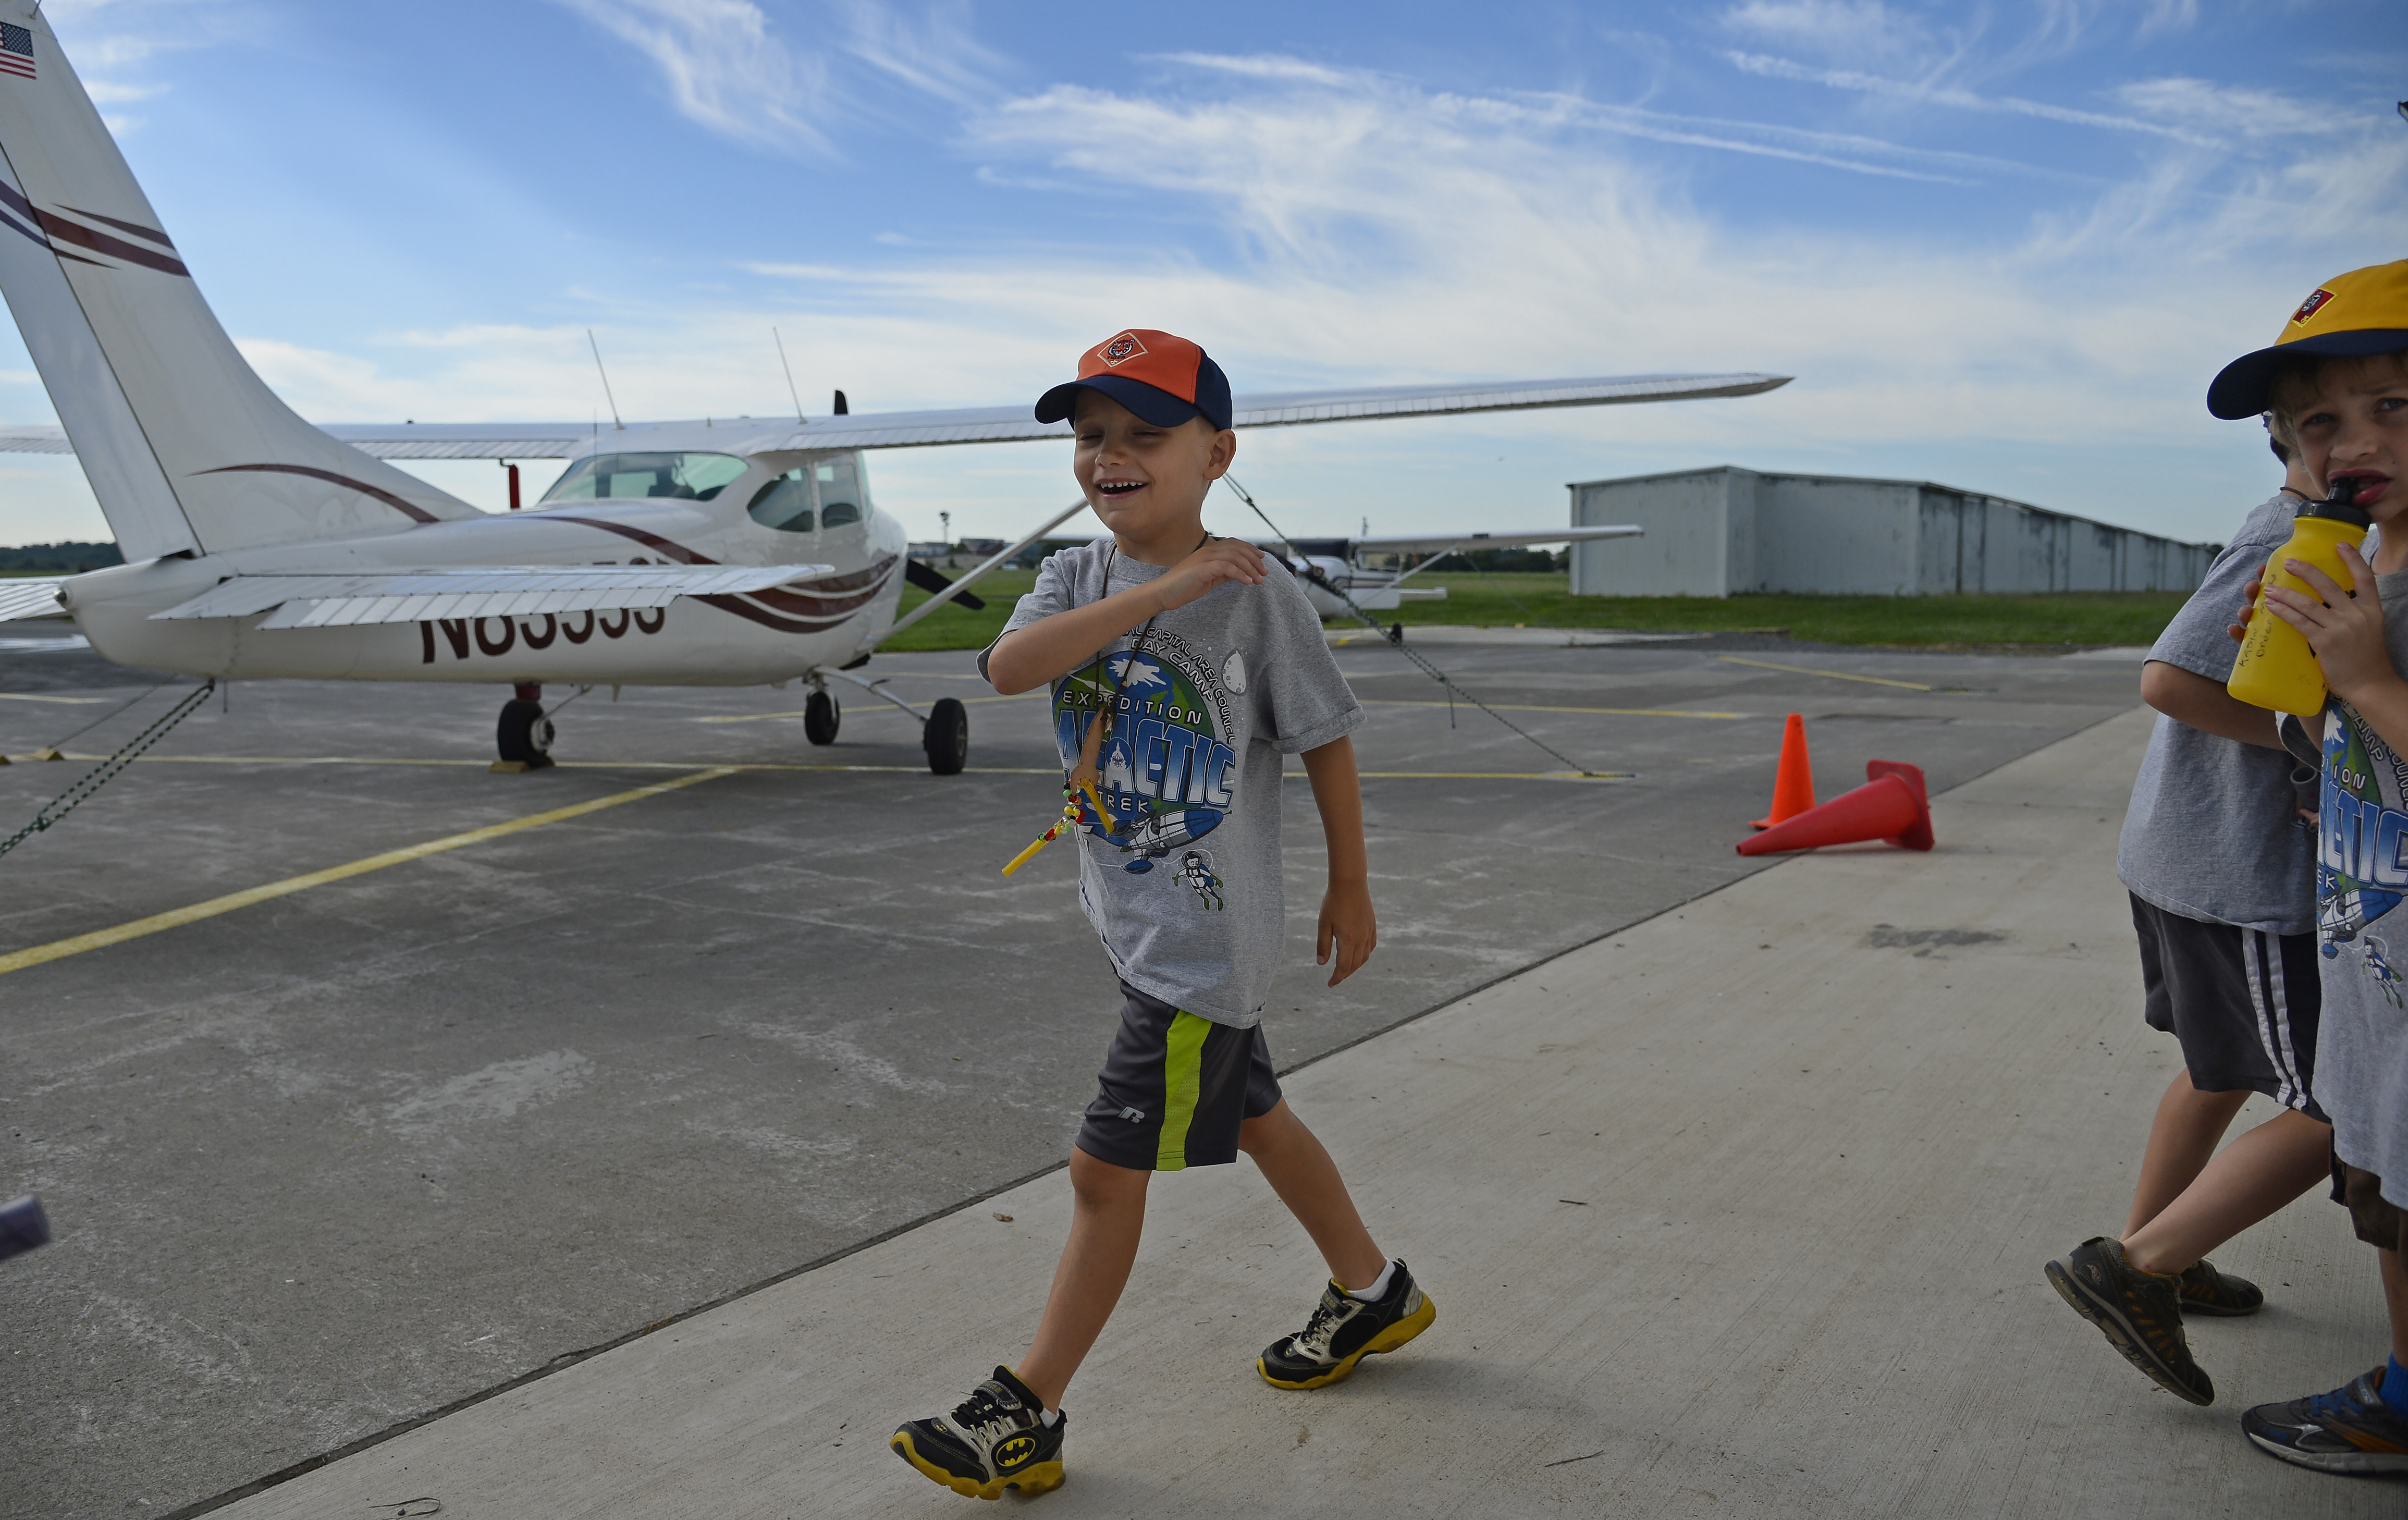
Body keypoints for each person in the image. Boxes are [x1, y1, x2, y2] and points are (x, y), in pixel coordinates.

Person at [888, 330, 1434, 1501]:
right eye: (1092, 437)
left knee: (1102, 1172)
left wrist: (1351, 882)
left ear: (1217, 453)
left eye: (1145, 433)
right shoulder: (1076, 579)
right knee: (1253, 1116)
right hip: (1136, 918)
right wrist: (1166, 589)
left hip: (1202, 938)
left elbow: (1326, 735)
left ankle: (1024, 1410)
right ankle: (1371, 1288)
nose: (1111, 456)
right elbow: (1007, 668)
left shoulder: (1260, 595)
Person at [2043, 423, 2332, 1407]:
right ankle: (2144, 1266)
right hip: (2243, 879)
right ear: (2292, 444)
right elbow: (2170, 680)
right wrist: (2317, 741)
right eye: (2333, 423)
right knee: (2343, 1107)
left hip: (2197, 865)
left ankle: (2154, 1255)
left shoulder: (2321, 529)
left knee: (2218, 1074)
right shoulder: (2293, 534)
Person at [2206, 260, 2408, 1475]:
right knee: (2389, 1195)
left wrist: (2374, 681)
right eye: (2319, 422)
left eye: (2395, 407)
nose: (2353, 442)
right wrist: (2311, 700)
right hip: (2378, 972)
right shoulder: (2365, 569)